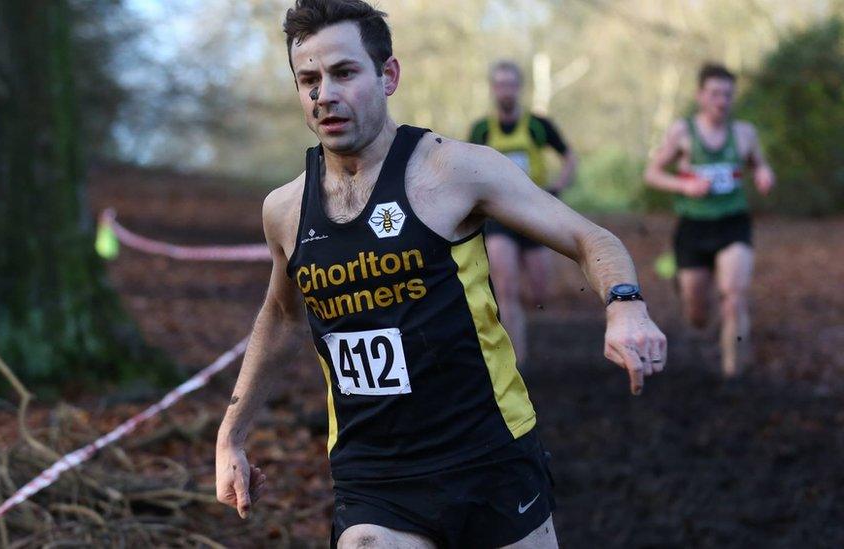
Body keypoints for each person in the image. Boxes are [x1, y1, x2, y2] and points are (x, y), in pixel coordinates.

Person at [215, 1, 666, 547]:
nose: (324, 94)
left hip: (489, 455)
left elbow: (589, 238)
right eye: (307, 79)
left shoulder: (455, 170)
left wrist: (625, 305)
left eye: (344, 73)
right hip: (374, 473)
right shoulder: (285, 209)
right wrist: (230, 437)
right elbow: (283, 316)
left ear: (388, 76)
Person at [644, 63, 775, 378]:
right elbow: (652, 173)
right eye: (715, 93)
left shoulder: (744, 133)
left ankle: (733, 374)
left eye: (728, 94)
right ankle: (688, 290)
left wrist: (763, 173)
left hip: (733, 224)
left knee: (734, 297)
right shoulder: (682, 132)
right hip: (693, 227)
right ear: (700, 95)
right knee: (698, 316)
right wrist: (685, 185)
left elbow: (759, 163)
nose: (722, 100)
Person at [468, 61, 577, 366]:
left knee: (540, 293)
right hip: (498, 217)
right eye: (500, 84)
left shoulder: (537, 124)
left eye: (511, 84)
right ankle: (518, 364)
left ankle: (525, 323)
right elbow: (467, 168)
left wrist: (558, 186)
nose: (505, 90)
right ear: (493, 89)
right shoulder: (481, 129)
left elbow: (569, 157)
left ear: (519, 88)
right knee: (506, 289)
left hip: (534, 213)